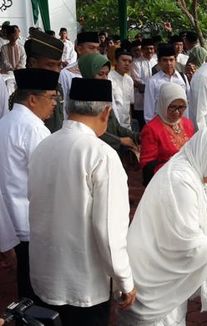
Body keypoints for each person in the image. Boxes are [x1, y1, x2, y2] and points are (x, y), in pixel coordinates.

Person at [28, 77, 136, 326]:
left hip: (45, 274)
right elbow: (109, 230)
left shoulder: (44, 146)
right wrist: (125, 281)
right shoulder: (102, 154)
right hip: (83, 283)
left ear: (68, 108)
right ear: (106, 112)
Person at [118, 128, 207, 326]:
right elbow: (188, 244)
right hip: (155, 275)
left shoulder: (187, 169)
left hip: (158, 267)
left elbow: (184, 211)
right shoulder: (180, 180)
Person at [0, 68, 59, 300]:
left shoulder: (5, 122)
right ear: (33, 99)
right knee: (38, 288)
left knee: (25, 284)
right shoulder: (34, 129)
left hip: (8, 220)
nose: (55, 104)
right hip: (30, 222)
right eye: (51, 97)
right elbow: (49, 180)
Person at [78, 53, 139, 154]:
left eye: (106, 74)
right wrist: (119, 140)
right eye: (100, 74)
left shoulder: (103, 93)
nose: (105, 78)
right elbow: (90, 130)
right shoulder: (81, 99)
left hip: (112, 150)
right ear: (88, 73)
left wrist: (136, 136)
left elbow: (115, 125)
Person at [140, 82, 194, 185]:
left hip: (188, 177)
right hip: (165, 181)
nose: (177, 112)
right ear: (163, 104)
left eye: (181, 107)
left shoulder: (187, 124)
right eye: (172, 107)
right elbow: (147, 165)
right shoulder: (151, 129)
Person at [23, 28, 65, 132]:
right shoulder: (25, 93)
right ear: (33, 63)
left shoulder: (57, 87)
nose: (56, 70)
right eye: (50, 65)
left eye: (59, 65)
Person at [59, 31, 100, 119]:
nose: (96, 52)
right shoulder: (66, 74)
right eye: (92, 48)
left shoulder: (101, 72)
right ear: (79, 49)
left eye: (97, 49)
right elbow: (63, 106)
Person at [144, 45, 188, 123]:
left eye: (171, 60)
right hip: (160, 125)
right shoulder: (153, 82)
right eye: (165, 60)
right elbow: (149, 111)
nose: (168, 63)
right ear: (159, 62)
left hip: (180, 124)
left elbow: (188, 103)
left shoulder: (182, 78)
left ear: (175, 60)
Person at [131, 38, 157, 130]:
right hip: (141, 102)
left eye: (151, 48)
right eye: (147, 48)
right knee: (143, 127)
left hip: (155, 101)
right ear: (142, 50)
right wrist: (152, 88)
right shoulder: (136, 63)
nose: (149, 51)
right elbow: (136, 81)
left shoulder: (157, 62)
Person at [109, 47, 135, 130]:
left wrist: (130, 121)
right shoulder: (109, 78)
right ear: (116, 61)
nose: (127, 63)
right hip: (113, 125)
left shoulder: (129, 80)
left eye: (130, 61)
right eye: (124, 60)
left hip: (127, 126)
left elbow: (130, 104)